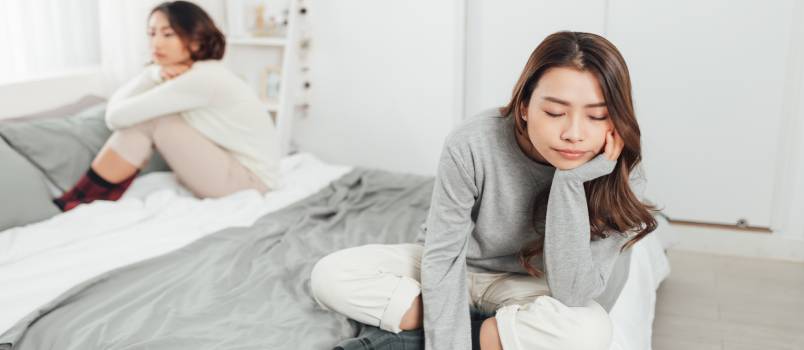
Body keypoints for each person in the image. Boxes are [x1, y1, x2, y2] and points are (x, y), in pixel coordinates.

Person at [310, 31, 658, 350]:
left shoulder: (621, 171)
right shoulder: (473, 141)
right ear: (524, 107)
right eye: (555, 112)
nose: (573, 134)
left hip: (533, 287)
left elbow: (573, 293)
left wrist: (569, 184)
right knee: (330, 276)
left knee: (590, 330)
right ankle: (484, 334)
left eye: (596, 117)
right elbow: (443, 256)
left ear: (615, 119)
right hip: (456, 269)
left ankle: (397, 341)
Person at [54, 1, 279, 211]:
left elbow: (114, 116)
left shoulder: (201, 79)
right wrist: (155, 73)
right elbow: (116, 108)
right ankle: (84, 198)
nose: (156, 43)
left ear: (196, 40)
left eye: (168, 34)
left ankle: (81, 199)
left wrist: (151, 76)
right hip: (238, 171)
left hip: (250, 182)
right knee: (153, 119)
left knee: (155, 120)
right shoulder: (201, 72)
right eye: (152, 33)